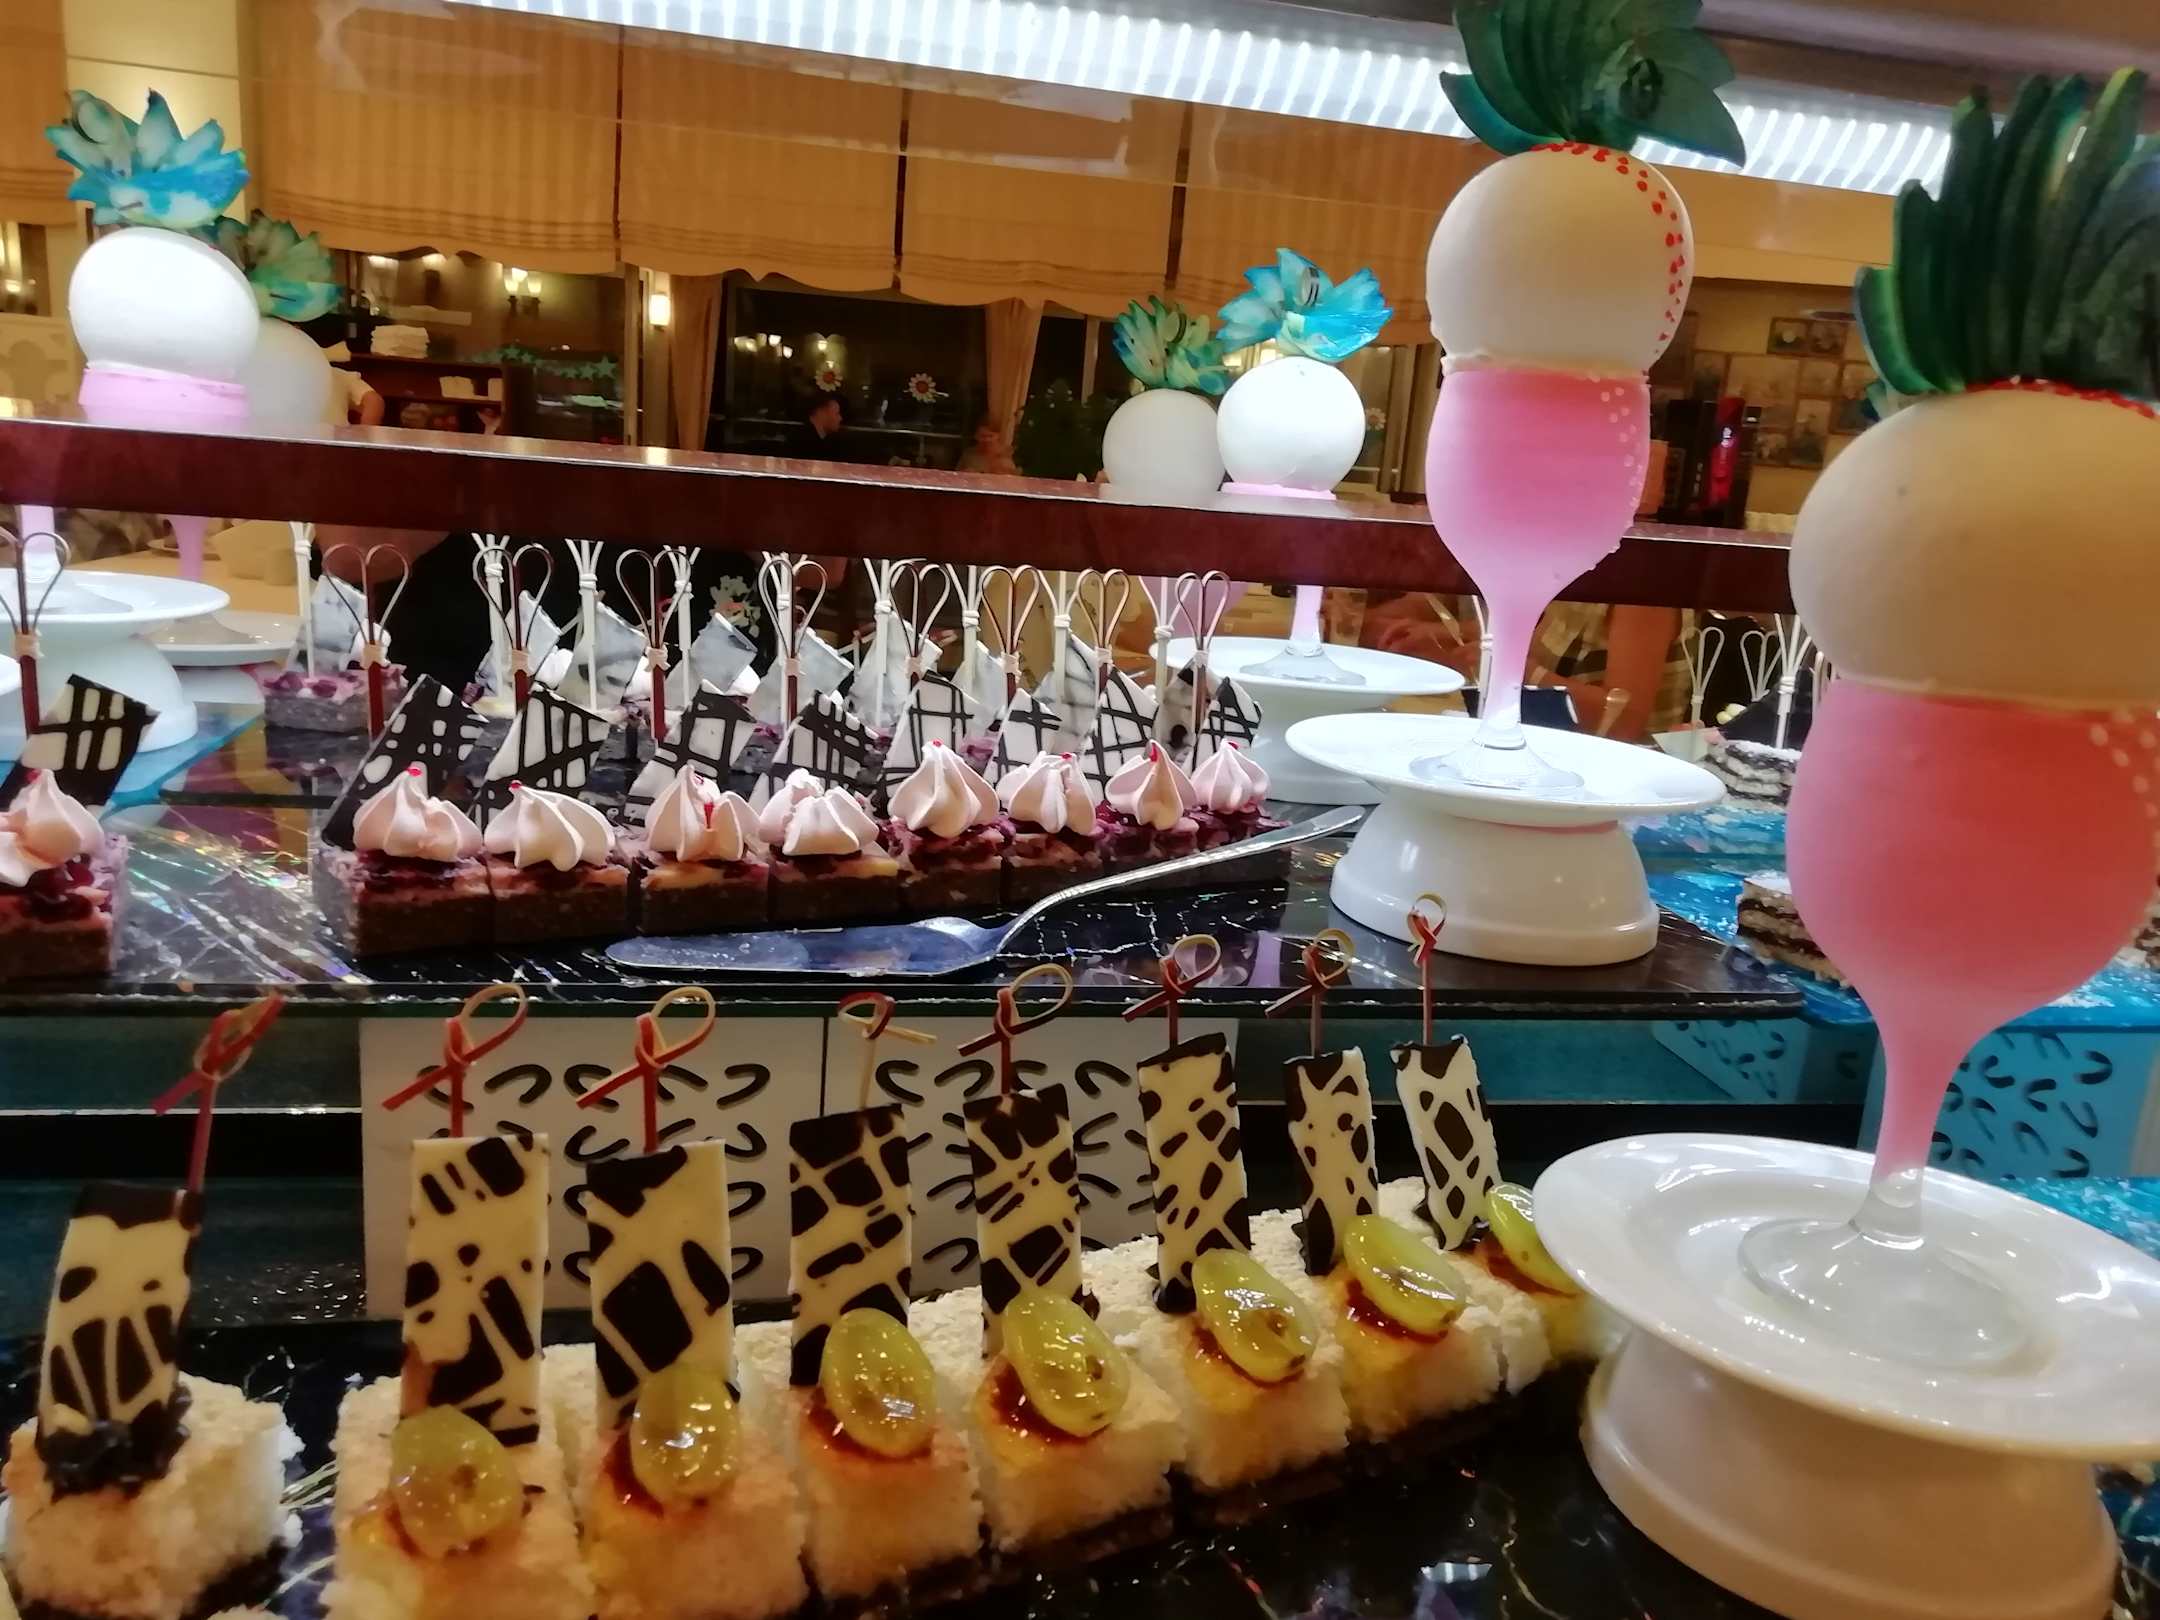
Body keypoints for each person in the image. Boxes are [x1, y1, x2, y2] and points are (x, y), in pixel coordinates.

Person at [791, 394, 848, 460]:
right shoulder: (803, 442)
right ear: (821, 413)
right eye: (837, 413)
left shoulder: (825, 441)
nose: (840, 418)